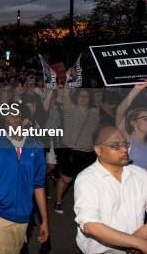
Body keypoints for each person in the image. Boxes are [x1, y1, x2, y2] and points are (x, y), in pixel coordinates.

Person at [0, 111, 49, 254]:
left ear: (25, 121)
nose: (9, 119)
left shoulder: (36, 147)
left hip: (23, 216)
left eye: (15, 116)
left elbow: (39, 185)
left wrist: (45, 220)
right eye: (8, 116)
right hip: (0, 214)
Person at [74, 126, 147, 254]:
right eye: (115, 146)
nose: (124, 149)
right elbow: (90, 226)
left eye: (125, 144)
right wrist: (138, 243)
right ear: (99, 150)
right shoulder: (87, 179)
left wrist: (138, 238)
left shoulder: (140, 175)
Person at [55, 87, 100, 214]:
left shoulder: (94, 112)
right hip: (71, 151)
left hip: (89, 152)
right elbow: (65, 95)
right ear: (76, 97)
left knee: (86, 180)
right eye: (81, 95)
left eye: (86, 96)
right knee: (66, 179)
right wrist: (68, 79)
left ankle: (85, 205)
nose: (84, 98)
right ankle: (58, 200)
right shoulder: (70, 109)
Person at [115, 82, 147, 170]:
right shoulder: (126, 139)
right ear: (134, 123)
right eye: (145, 119)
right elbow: (120, 112)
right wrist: (136, 90)